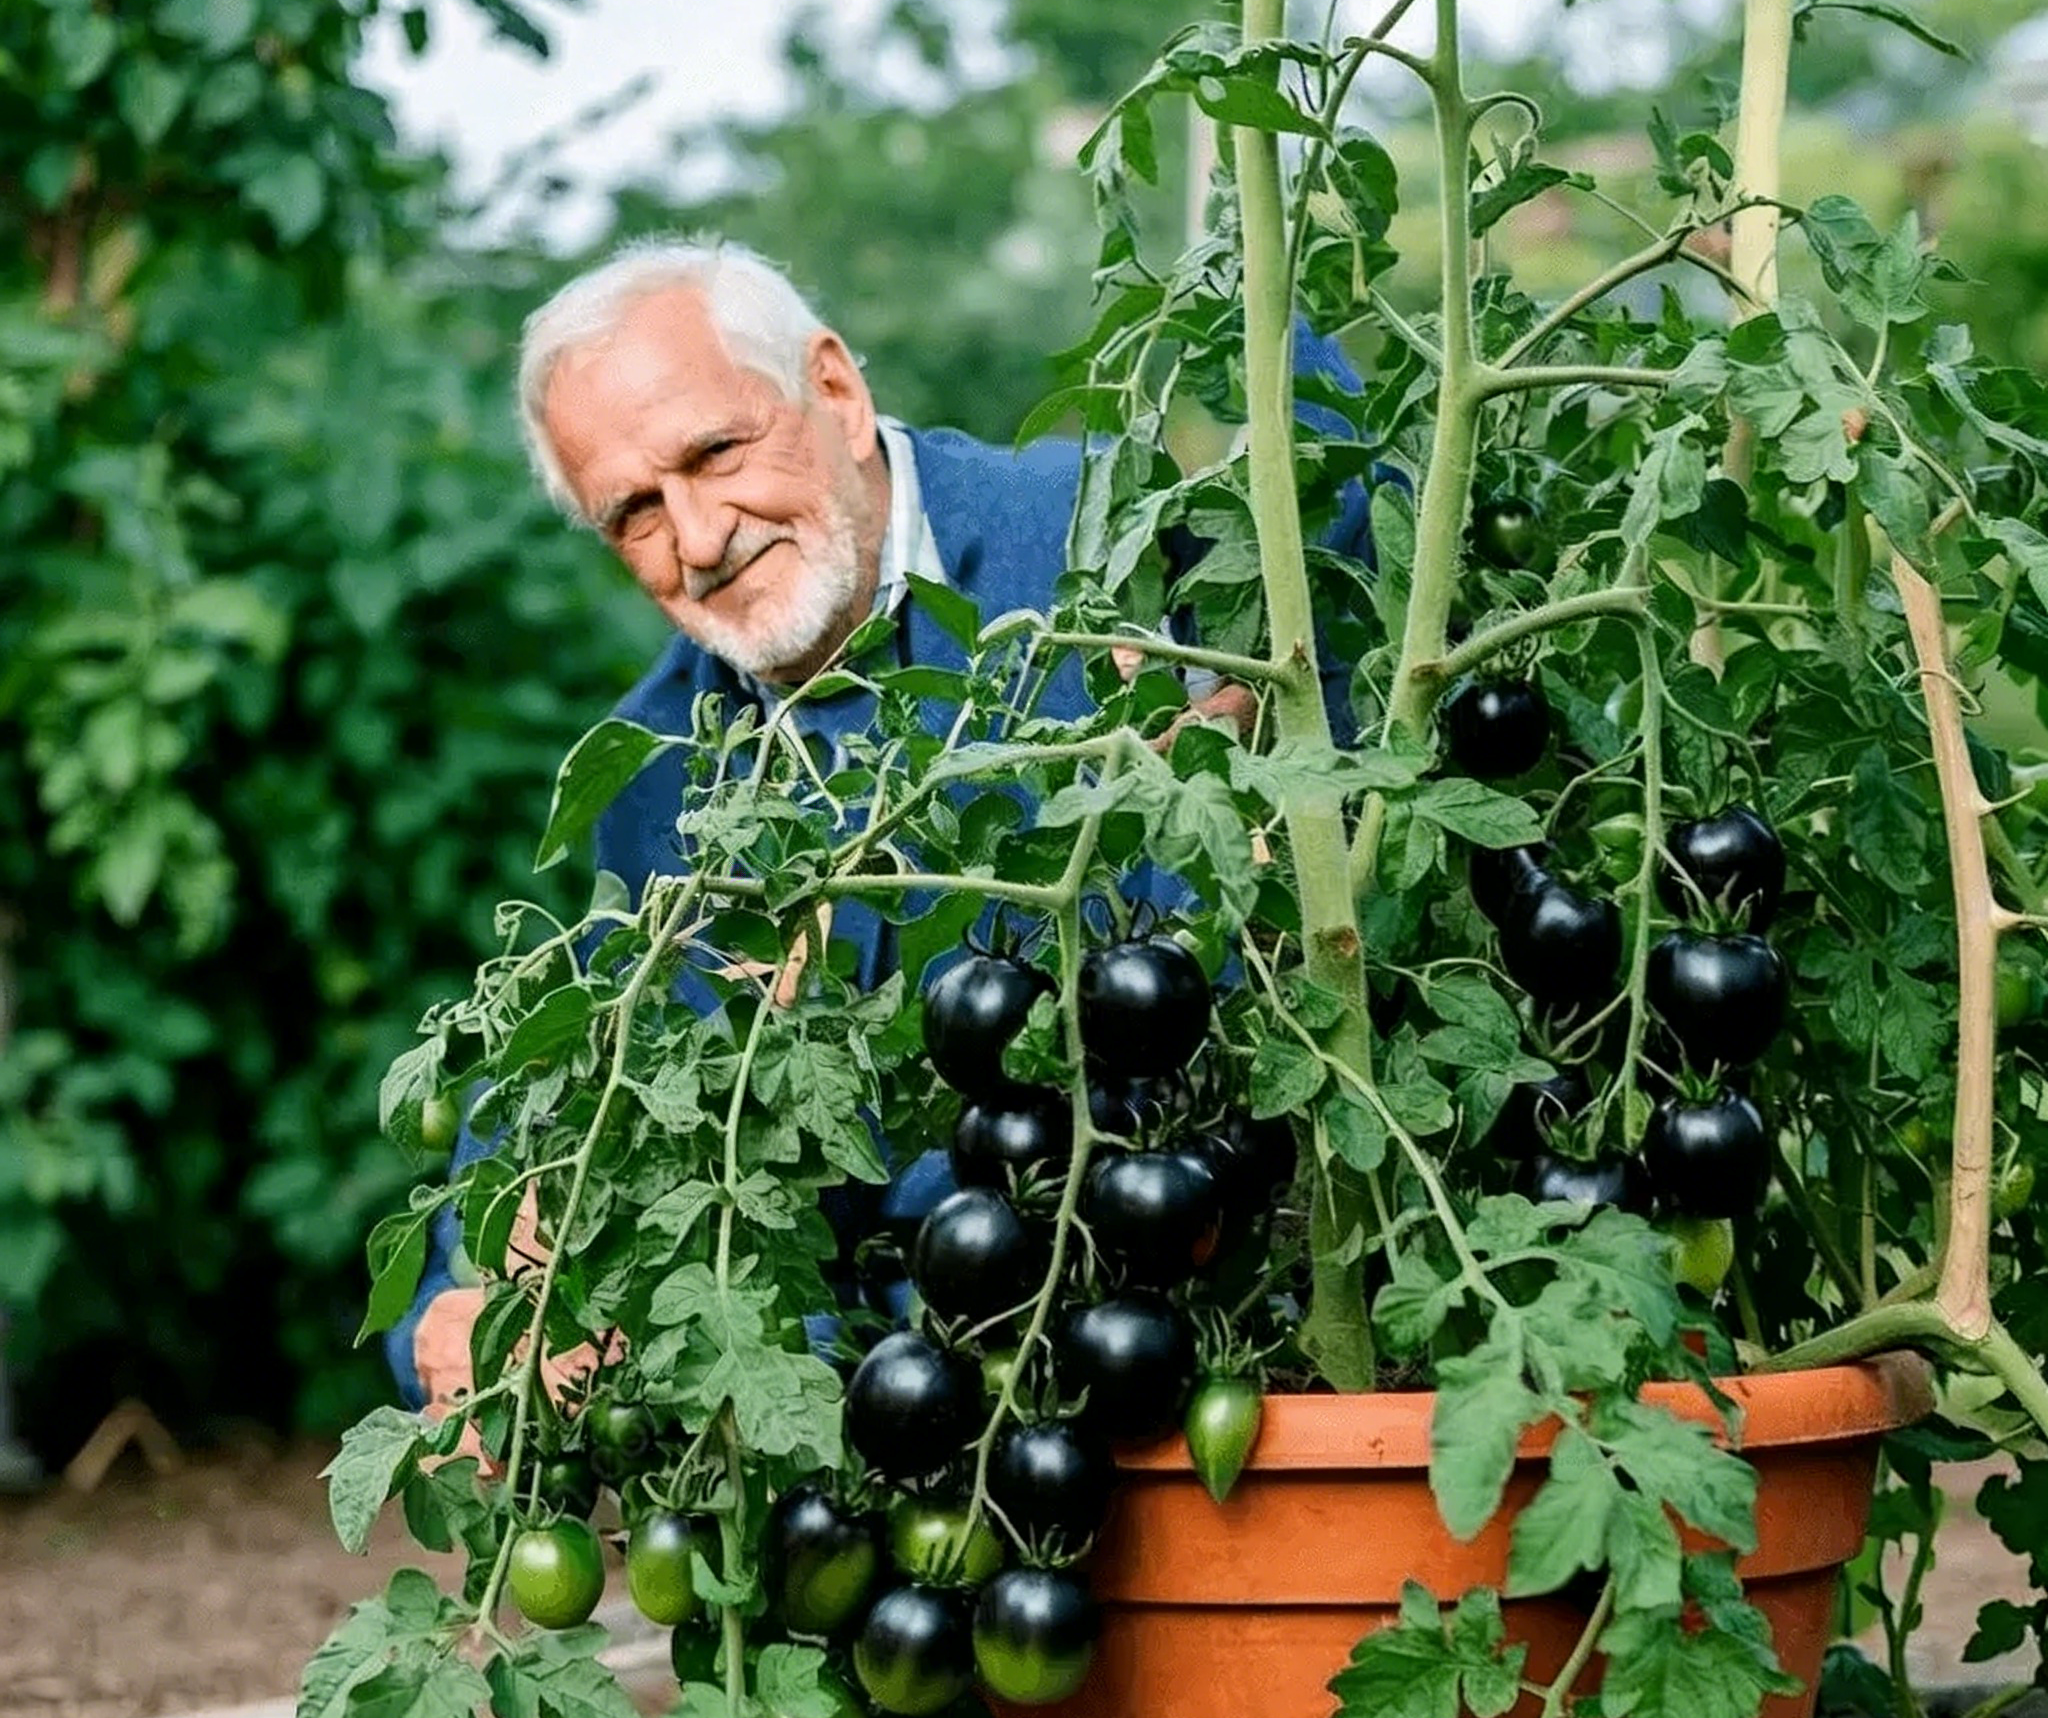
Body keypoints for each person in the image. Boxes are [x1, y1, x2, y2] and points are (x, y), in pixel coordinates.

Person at [387, 236, 1376, 1416]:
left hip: (1217, 1335)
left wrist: (1272, 250)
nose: (699, 538)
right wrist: (458, 1304)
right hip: (921, 1428)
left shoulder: (1109, 540)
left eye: (715, 453)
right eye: (636, 511)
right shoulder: (653, 774)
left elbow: (1351, 554)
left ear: (837, 393)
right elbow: (586, 1081)